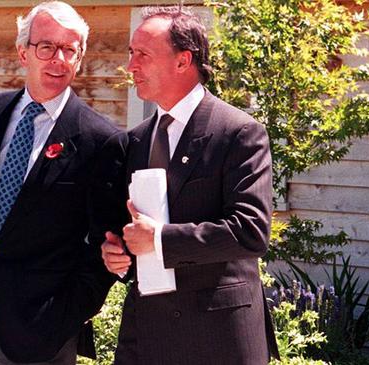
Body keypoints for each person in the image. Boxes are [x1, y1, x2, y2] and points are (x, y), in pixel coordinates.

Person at [0, 2, 128, 364]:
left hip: (43, 335)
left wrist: (68, 313)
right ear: (23, 52)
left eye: (70, 49)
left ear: (80, 58)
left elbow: (105, 243)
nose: (58, 59)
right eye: (47, 47)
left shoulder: (101, 140)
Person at [101, 6, 280, 365]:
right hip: (146, 333)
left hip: (218, 337)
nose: (131, 66)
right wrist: (117, 254)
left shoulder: (238, 132)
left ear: (183, 61)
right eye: (131, 54)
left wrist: (158, 239)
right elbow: (132, 227)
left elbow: (250, 231)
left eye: (143, 55)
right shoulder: (134, 141)